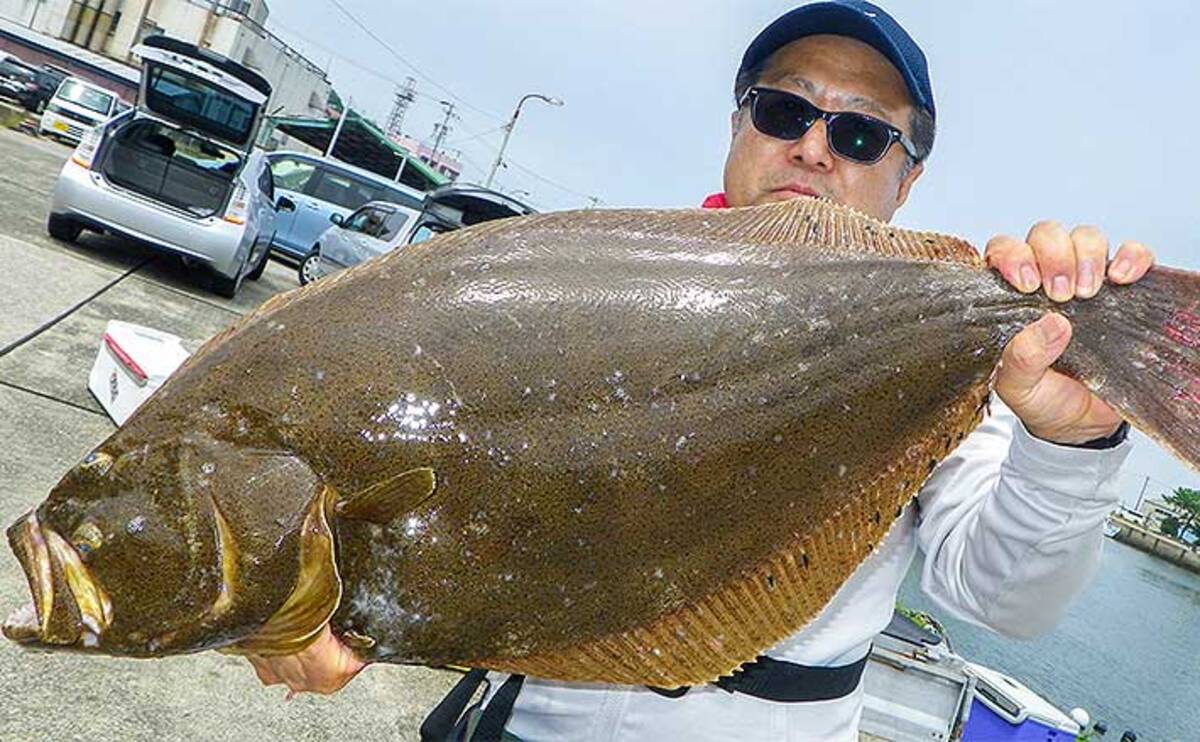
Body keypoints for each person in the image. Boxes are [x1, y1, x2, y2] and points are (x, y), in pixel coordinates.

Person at [247, 2, 1157, 739]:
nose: (813, 147)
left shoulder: (941, 355)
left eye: (863, 135)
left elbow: (1002, 597)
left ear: (907, 179)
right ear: (739, 124)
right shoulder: (592, 288)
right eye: (785, 111)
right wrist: (306, 608)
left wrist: (1070, 439)